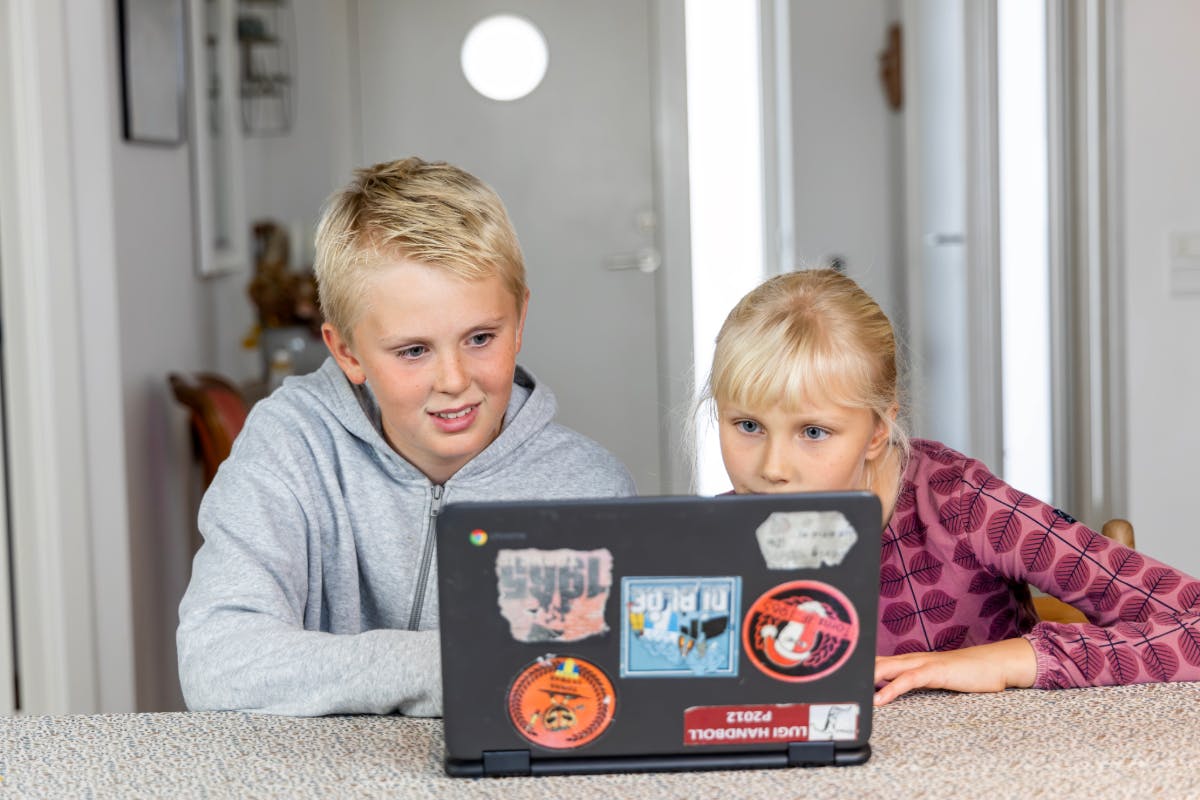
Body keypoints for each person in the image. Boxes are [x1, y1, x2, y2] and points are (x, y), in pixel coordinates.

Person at [177, 157, 637, 716]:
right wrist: (448, 666)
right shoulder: (289, 445)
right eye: (414, 350)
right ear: (347, 351)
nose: (454, 380)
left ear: (519, 323)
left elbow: (610, 687)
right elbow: (218, 662)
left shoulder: (588, 487)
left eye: (480, 338)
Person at [702, 268, 1200, 706]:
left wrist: (1006, 661)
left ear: (878, 430)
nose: (772, 468)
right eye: (748, 426)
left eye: (813, 432)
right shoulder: (706, 542)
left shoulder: (963, 506)